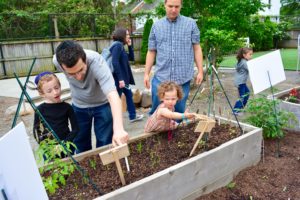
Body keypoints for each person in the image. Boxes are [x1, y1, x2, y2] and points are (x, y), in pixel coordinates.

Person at [52, 40, 129, 153]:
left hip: (102, 105)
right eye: (71, 74)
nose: (78, 77)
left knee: (104, 143)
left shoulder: (97, 62)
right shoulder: (56, 61)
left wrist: (118, 129)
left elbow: (113, 95)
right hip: (79, 106)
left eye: (81, 70)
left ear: (85, 60)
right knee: (79, 144)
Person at [144, 0, 204, 115]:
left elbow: (197, 48)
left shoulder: (191, 24)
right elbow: (151, 51)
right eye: (170, 6)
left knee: (179, 114)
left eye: (177, 6)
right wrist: (146, 73)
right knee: (157, 113)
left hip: (182, 79)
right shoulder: (156, 26)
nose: (173, 10)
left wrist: (200, 71)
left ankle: (175, 132)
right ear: (164, 5)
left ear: (181, 6)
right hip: (160, 78)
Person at [33, 72, 78, 154]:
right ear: (42, 94)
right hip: (50, 150)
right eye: (49, 91)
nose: (55, 92)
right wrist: (47, 147)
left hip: (67, 147)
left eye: (56, 88)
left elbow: (75, 129)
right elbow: (36, 132)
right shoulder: (39, 110)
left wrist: (64, 144)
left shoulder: (67, 107)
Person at [111, 27, 144, 123]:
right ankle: (113, 121)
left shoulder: (121, 46)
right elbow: (115, 62)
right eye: (127, 34)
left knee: (129, 95)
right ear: (122, 36)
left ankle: (132, 116)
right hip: (119, 80)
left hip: (123, 80)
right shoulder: (117, 46)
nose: (129, 36)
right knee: (116, 100)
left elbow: (131, 58)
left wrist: (129, 46)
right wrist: (120, 79)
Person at [233, 47, 253, 114]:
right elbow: (251, 69)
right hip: (240, 82)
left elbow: (236, 66)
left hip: (241, 82)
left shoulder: (241, 61)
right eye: (250, 54)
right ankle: (235, 110)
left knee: (247, 93)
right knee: (242, 96)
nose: (251, 56)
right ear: (244, 55)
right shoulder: (244, 62)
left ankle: (240, 108)